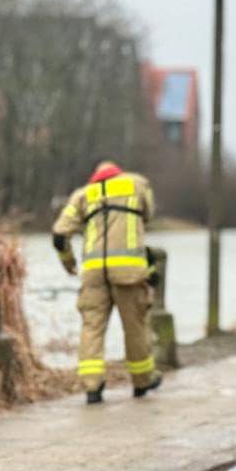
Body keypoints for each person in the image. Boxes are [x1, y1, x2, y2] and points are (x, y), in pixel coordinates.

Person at [51, 160, 162, 404]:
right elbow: (149, 215)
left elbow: (59, 235)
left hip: (93, 274)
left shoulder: (82, 195)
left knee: (92, 328)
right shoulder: (137, 184)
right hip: (128, 271)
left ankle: (92, 387)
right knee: (135, 327)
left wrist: (68, 263)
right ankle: (142, 382)